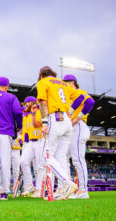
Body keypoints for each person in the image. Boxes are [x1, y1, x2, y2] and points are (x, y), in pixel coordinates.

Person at [36, 66, 81, 200]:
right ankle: (63, 190)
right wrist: (71, 111)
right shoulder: (63, 83)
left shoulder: (43, 82)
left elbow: (43, 103)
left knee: (45, 156)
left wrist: (44, 123)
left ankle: (66, 182)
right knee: (60, 157)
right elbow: (82, 98)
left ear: (42, 75)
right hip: (67, 121)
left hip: (54, 119)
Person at [63, 74, 95, 199]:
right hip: (69, 130)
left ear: (71, 83)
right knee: (63, 157)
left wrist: (77, 118)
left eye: (65, 83)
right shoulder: (68, 96)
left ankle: (83, 190)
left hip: (79, 127)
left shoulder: (79, 92)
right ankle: (67, 187)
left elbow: (90, 102)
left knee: (77, 159)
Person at [19, 96, 45, 198]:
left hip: (40, 141)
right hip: (31, 142)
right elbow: (24, 131)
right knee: (23, 161)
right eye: (26, 103)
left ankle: (39, 189)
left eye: (29, 103)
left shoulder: (39, 112)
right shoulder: (26, 116)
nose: (27, 105)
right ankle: (29, 185)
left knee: (39, 166)